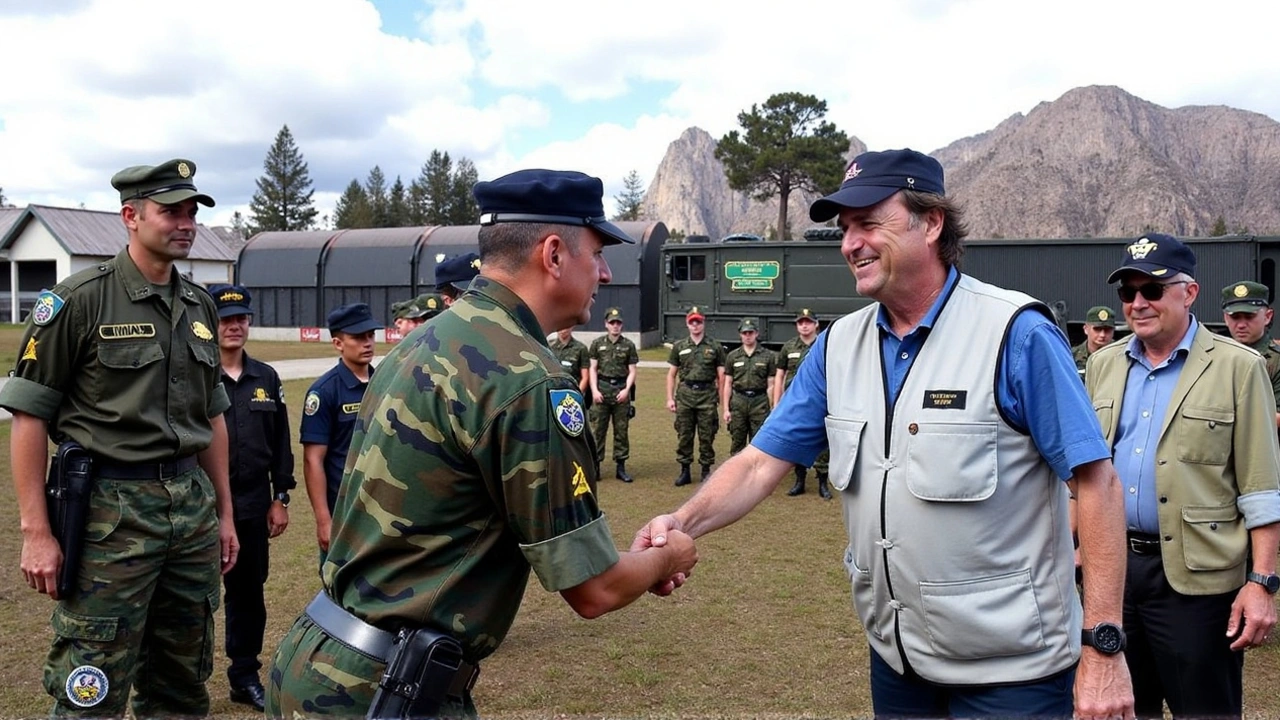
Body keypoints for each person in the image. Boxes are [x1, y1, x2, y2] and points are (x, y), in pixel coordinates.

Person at [636, 148, 1134, 719]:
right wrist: (681, 522)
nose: (851, 243)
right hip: (899, 664)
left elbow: (1098, 486)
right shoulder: (837, 345)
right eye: (846, 229)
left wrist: (1103, 647)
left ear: (931, 222)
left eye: (870, 222)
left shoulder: (1015, 333)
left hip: (1012, 674)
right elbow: (757, 463)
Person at [267, 169, 698, 718]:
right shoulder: (529, 380)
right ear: (553, 254)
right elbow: (595, 590)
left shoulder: (421, 340)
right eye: (597, 252)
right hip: (380, 691)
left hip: (318, 654)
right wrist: (669, 558)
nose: (607, 273)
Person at [0, 158, 239, 717]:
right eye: (169, 212)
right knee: (94, 682)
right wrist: (36, 531)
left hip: (190, 510)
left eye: (190, 212)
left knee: (182, 681)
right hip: (111, 516)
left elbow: (213, 420)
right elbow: (30, 416)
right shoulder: (77, 301)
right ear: (130, 216)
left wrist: (225, 513)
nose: (185, 223)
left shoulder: (200, 305)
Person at [1085, 236, 1280, 718]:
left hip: (1198, 581)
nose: (1137, 303)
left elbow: (1261, 486)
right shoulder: (1102, 365)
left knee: (1205, 709)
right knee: (1125, 705)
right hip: (1115, 576)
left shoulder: (1238, 366)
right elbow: (1086, 474)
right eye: (1127, 293)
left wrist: (1261, 582)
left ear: (1188, 293)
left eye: (1152, 289)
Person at [210, 283, 295, 712]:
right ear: (211, 324)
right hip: (202, 506)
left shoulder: (267, 377)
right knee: (195, 595)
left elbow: (281, 442)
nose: (234, 326)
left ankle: (243, 676)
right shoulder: (198, 374)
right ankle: (185, 676)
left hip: (252, 504)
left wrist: (280, 496)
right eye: (226, 319)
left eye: (241, 318)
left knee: (247, 595)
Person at [299, 303, 381, 562]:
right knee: (339, 591)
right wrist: (324, 520)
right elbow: (313, 460)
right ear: (338, 343)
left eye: (370, 335)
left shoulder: (386, 382)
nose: (367, 343)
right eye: (358, 337)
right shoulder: (324, 391)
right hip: (343, 511)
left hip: (383, 509)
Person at [666, 306, 726, 486]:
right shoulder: (680, 347)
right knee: (685, 434)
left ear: (703, 323)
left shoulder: (714, 346)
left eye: (698, 322)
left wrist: (722, 400)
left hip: (707, 395)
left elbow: (721, 375)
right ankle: (685, 470)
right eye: (692, 322)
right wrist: (669, 398)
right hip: (685, 395)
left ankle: (706, 470)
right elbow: (671, 374)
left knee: (707, 435)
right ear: (687, 324)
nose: (695, 325)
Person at [773, 308, 829, 498]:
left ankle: (823, 483)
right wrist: (777, 401)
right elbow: (780, 375)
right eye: (800, 322)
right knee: (797, 440)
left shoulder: (826, 345)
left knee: (824, 444)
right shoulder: (788, 347)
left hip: (822, 400)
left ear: (816, 324)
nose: (804, 325)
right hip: (796, 401)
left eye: (808, 322)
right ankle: (800, 481)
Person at [589, 307, 639, 482]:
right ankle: (595, 467)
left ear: (622, 325)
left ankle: (621, 467)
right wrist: (594, 390)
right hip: (602, 391)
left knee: (621, 431)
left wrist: (626, 390)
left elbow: (632, 371)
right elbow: (593, 369)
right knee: (598, 431)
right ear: (606, 324)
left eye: (618, 323)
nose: (615, 326)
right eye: (612, 323)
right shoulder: (597, 344)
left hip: (620, 392)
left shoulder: (628, 345)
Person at [1221, 279, 1280, 424]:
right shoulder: (1215, 356)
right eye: (1235, 317)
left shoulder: (1276, 361)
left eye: (1249, 317)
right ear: (1226, 318)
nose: (1241, 325)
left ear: (1267, 317)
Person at [721, 317, 775, 456]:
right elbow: (727, 384)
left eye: (750, 332)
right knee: (737, 440)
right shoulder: (732, 356)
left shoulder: (768, 356)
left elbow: (771, 385)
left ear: (756, 333)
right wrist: (726, 409)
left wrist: (772, 407)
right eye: (745, 333)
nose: (748, 336)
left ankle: (756, 476)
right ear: (740, 334)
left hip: (759, 402)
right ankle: (738, 475)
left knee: (758, 442)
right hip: (738, 401)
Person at [549, 325, 591, 407]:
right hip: (553, 393)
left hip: (572, 393)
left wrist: (576, 395)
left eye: (566, 326)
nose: (563, 330)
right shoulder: (549, 346)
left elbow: (585, 377)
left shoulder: (580, 348)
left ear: (571, 327)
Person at [1072, 305, 1117, 376]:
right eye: (1097, 329)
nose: (1102, 335)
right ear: (1086, 329)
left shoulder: (1121, 356)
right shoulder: (1071, 357)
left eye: (1107, 330)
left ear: (1113, 331)